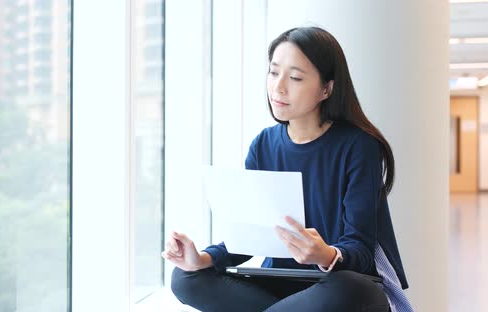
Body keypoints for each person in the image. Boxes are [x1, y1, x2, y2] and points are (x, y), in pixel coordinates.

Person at [161, 27, 413, 312]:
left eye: (294, 77)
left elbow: (362, 252)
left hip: (338, 286)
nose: (278, 87)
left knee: (348, 287)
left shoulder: (359, 146)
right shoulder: (263, 145)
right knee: (186, 278)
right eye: (273, 72)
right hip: (281, 286)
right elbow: (251, 237)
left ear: (326, 89)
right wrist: (202, 258)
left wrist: (326, 254)